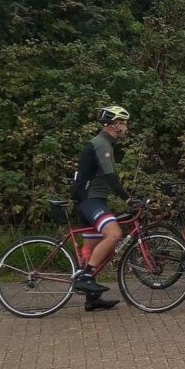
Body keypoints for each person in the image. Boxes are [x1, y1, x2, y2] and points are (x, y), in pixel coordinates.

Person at [70, 105, 143, 311]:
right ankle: (85, 276)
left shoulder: (103, 142)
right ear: (116, 125)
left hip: (93, 200)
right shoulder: (102, 144)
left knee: (96, 250)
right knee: (114, 234)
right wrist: (128, 199)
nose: (126, 128)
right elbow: (111, 177)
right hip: (90, 200)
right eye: (124, 123)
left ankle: (91, 298)